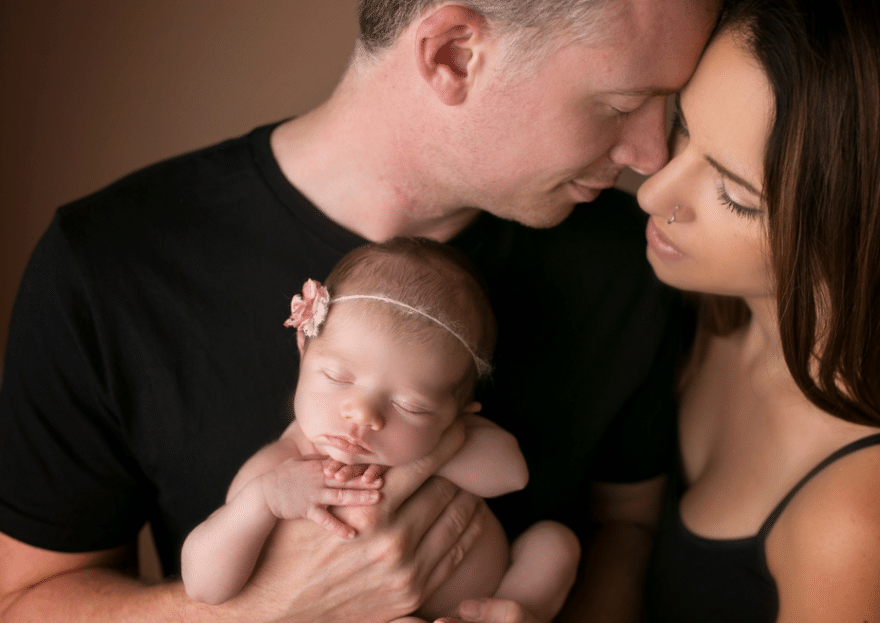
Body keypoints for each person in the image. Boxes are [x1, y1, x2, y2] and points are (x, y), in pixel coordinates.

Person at [0, 0, 723, 621]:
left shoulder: (629, 262)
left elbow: (625, 529)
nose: (654, 156)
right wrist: (269, 611)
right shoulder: (108, 262)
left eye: (669, 107)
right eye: (623, 104)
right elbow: (24, 602)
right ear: (452, 54)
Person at [637, 0, 880, 621]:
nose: (653, 192)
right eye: (681, 126)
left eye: (736, 196)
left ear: (871, 231)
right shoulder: (720, 301)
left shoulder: (865, 526)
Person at [181, 238, 580, 621]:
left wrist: (444, 441)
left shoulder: (448, 436)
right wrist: (263, 502)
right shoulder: (281, 468)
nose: (362, 414)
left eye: (410, 405)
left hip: (492, 593)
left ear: (456, 411)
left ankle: (511, 612)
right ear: (304, 349)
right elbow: (203, 586)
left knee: (556, 544)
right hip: (381, 614)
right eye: (337, 377)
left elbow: (513, 475)